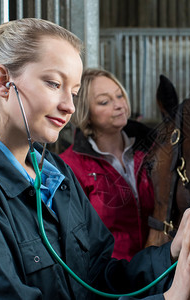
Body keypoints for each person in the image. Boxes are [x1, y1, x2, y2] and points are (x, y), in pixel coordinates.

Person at [0, 18, 190, 300]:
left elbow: (99, 278)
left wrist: (171, 251)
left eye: (73, 92)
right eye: (53, 84)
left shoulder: (57, 176)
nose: (69, 106)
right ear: (4, 81)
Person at [60, 68, 155, 261]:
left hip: (158, 266)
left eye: (119, 96)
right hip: (109, 279)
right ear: (86, 113)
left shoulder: (151, 151)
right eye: (105, 101)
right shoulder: (69, 166)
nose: (119, 105)